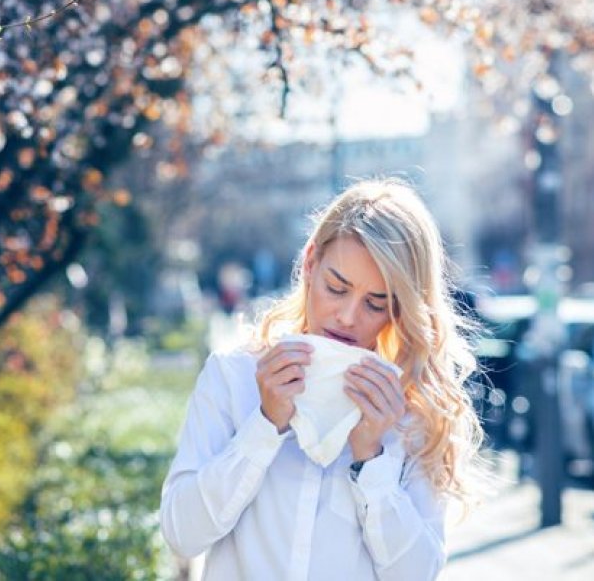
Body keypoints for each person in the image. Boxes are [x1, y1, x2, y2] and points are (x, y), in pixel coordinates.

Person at [160, 179, 485, 580]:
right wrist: (264, 425)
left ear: (398, 311)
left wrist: (371, 459)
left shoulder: (410, 414)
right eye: (337, 288)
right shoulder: (234, 376)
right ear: (311, 264)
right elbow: (182, 535)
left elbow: (417, 575)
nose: (348, 316)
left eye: (375, 303)